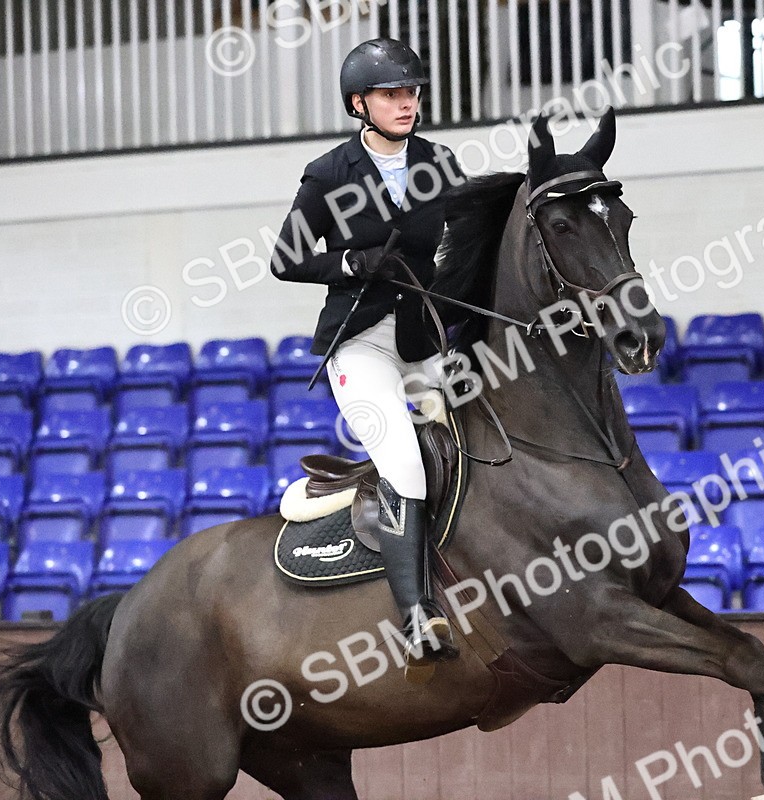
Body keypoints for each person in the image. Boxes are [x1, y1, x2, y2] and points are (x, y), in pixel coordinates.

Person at [270, 37, 465, 666]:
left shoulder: (440, 161)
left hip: (428, 337)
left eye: (411, 92)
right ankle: (416, 614)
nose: (406, 103)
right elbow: (287, 258)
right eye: (391, 94)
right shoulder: (328, 174)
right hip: (362, 346)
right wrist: (351, 260)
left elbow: (461, 247)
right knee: (403, 462)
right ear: (360, 104)